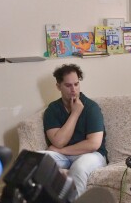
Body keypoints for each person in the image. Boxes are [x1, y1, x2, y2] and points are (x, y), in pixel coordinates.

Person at [41, 63, 107, 196]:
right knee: (39, 160)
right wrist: (75, 113)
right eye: (68, 85)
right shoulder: (53, 109)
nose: (73, 89)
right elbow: (59, 141)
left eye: (76, 84)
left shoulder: (91, 107)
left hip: (92, 155)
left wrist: (60, 150)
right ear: (58, 86)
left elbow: (93, 144)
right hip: (64, 156)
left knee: (79, 168)